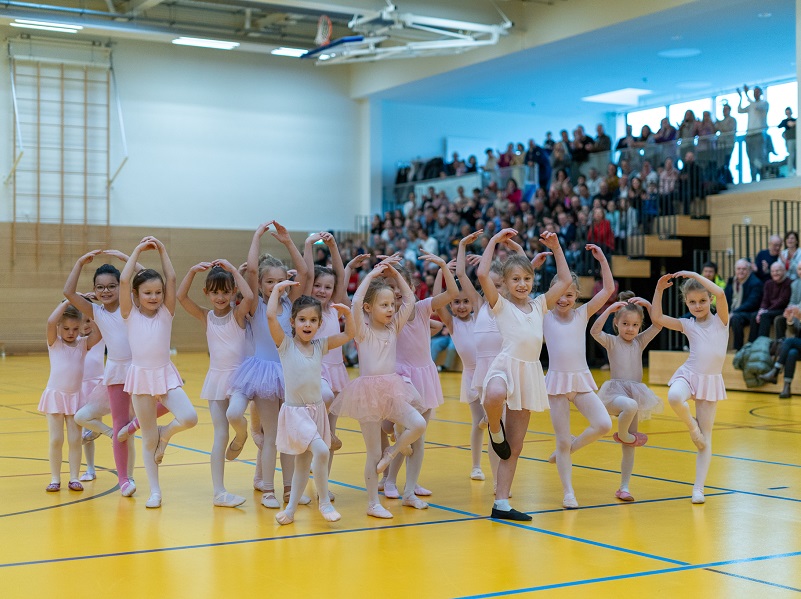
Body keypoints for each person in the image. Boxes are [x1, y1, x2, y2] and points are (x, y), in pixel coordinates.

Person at [478, 228, 571, 521]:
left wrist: (556, 247)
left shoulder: (540, 305)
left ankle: (501, 504)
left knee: (514, 447)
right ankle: (494, 428)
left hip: (529, 373)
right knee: (493, 394)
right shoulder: (500, 305)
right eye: (515, 279)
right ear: (504, 284)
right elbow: (482, 274)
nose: (522, 284)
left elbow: (566, 281)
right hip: (506, 366)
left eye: (527, 279)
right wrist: (493, 242)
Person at [330, 262, 426, 519]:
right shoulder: (361, 331)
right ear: (369, 309)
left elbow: (409, 299)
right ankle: (373, 502)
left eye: (392, 305)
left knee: (418, 423)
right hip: (367, 393)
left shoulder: (394, 327)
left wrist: (395, 274)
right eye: (384, 305)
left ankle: (392, 452)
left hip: (393, 388)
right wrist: (371, 275)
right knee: (371, 452)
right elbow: (355, 302)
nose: (391, 309)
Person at [229, 221, 310, 508]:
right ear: (261, 284)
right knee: (272, 433)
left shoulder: (291, 305)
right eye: (269, 282)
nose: (276, 286)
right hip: (263, 373)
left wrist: (289, 242)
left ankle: (290, 489)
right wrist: (256, 236)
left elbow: (305, 273)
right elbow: (251, 269)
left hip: (289, 373)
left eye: (280, 281)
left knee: (287, 432)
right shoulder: (255, 306)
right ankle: (268, 490)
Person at [64, 250, 152, 498]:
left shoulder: (132, 306)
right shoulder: (97, 313)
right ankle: (112, 433)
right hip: (114, 373)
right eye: (100, 287)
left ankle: (128, 477)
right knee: (83, 416)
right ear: (94, 289)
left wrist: (128, 259)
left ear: (120, 287)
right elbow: (69, 293)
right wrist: (80, 261)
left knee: (129, 431)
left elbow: (148, 279)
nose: (106, 291)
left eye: (112, 286)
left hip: (137, 372)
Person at [119, 237, 199, 508]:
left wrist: (163, 250)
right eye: (147, 293)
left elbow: (172, 278)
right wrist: (137, 249)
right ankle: (155, 491)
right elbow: (123, 281)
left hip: (164, 375)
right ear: (136, 295)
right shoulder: (130, 315)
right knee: (148, 437)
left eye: (157, 292)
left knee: (189, 417)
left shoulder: (167, 312)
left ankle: (168, 433)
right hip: (141, 377)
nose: (154, 297)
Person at [268, 283, 355, 524]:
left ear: (318, 324)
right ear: (293, 322)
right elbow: (270, 316)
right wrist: (277, 291)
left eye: (313, 320)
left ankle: (290, 511)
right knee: (320, 450)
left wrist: (347, 314)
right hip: (296, 413)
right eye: (303, 320)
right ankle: (324, 501)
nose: (308, 324)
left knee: (302, 464)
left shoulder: (320, 346)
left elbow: (349, 335)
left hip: (316, 411)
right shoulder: (285, 345)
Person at [382, 251, 458, 507]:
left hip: (424, 374)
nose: (397, 291)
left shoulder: (424, 307)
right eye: (391, 287)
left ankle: (409, 489)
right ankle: (391, 480)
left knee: (417, 436)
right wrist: (384, 270)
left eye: (401, 285)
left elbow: (452, 295)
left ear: (412, 288)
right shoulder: (390, 316)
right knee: (405, 431)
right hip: (401, 376)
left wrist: (442, 267)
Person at [177, 259, 254, 507]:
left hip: (240, 378)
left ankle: (242, 435)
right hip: (216, 378)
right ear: (207, 293)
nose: (220, 297)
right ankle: (219, 492)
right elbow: (181, 297)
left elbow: (250, 297)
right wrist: (190, 270)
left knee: (235, 416)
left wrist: (234, 270)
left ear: (233, 292)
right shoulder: (206, 316)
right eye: (215, 292)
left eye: (225, 291)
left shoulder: (238, 314)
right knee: (220, 435)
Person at [543, 245, 614, 509]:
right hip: (557, 384)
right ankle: (568, 492)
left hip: (581, 380)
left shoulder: (582, 314)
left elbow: (607, 290)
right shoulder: (543, 315)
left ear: (576, 296)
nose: (564, 299)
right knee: (561, 439)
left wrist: (602, 259)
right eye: (560, 294)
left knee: (604, 425)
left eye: (570, 295)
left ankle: (568, 449)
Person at [650, 271, 729, 504]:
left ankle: (698, 488)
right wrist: (658, 289)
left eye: (703, 300)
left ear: (710, 300)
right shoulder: (688, 324)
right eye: (692, 302)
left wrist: (693, 275)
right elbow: (657, 318)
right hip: (689, 375)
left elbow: (722, 292)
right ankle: (691, 428)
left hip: (710, 380)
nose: (698, 306)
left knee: (707, 439)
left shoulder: (721, 320)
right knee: (674, 397)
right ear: (686, 302)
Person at [591, 292, 663, 501]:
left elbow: (658, 325)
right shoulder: (612, 342)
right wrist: (607, 310)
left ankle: (624, 487)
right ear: (616, 323)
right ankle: (623, 434)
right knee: (630, 407)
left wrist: (650, 307)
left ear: (640, 326)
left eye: (634, 325)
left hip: (635, 392)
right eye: (625, 323)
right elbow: (595, 330)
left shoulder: (639, 342)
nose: (629, 329)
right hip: (615, 395)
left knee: (629, 447)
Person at [39, 302, 102, 493]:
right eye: (66, 328)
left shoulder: (83, 344)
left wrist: (91, 307)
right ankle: (55, 479)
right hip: (56, 396)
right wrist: (68, 301)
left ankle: (74, 477)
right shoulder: (54, 342)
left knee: (75, 439)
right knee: (56, 440)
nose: (70, 332)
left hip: (75, 398)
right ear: (59, 327)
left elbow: (99, 333)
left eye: (75, 328)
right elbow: (50, 321)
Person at [75, 309, 109, 482]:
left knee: (91, 425)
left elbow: (103, 316)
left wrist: (96, 302)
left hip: (98, 385)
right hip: (79, 387)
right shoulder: (73, 340)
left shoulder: (100, 336)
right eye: (81, 321)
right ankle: (90, 469)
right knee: (84, 430)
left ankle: (100, 430)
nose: (86, 325)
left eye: (89, 320)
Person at [725, 259, 764, 350]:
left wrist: (733, 312)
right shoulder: (732, 282)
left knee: (735, 318)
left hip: (750, 313)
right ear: (735, 270)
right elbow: (725, 299)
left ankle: (738, 349)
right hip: (735, 312)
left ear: (749, 270)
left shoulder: (755, 283)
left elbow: (752, 303)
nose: (741, 271)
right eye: (738, 269)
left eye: (744, 269)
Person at [749, 261, 791, 340]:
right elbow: (765, 300)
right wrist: (761, 310)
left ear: (784, 271)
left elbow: (782, 301)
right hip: (770, 310)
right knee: (754, 315)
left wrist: (766, 311)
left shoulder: (789, 282)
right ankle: (752, 343)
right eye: (773, 271)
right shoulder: (768, 283)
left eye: (777, 271)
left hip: (782, 310)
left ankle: (762, 343)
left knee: (764, 316)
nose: (775, 273)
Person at [738, 84, 769, 181]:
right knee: (751, 158)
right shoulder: (751, 105)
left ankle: (763, 176)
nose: (755, 94)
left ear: (760, 93)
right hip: (749, 135)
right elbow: (740, 110)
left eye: (757, 92)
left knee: (759, 157)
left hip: (759, 134)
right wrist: (741, 97)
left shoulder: (764, 104)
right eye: (754, 92)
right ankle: (753, 177)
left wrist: (746, 95)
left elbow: (756, 106)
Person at [779, 107, 797, 175]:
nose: (788, 114)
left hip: (796, 140)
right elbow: (779, 126)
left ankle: (796, 169)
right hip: (789, 140)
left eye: (789, 112)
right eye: (787, 113)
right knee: (791, 155)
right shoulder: (785, 121)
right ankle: (790, 170)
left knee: (797, 155)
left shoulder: (795, 120)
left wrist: (794, 123)